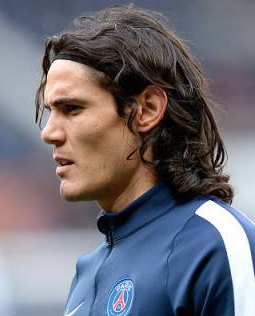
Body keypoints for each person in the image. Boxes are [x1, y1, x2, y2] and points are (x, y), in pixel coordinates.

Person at [35, 5, 255, 316]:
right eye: (50, 112)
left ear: (147, 109)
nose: (49, 133)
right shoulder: (86, 275)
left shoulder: (216, 246)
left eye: (72, 109)